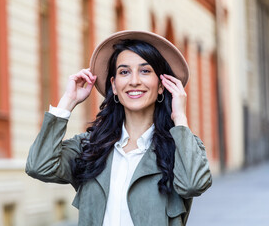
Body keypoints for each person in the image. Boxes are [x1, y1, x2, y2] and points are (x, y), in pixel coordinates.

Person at [26, 30, 212, 226]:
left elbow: (193, 185)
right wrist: (67, 102)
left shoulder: (180, 148)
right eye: (124, 72)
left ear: (161, 85)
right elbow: (40, 166)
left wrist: (179, 117)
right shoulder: (90, 148)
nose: (134, 81)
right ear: (114, 85)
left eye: (145, 71)